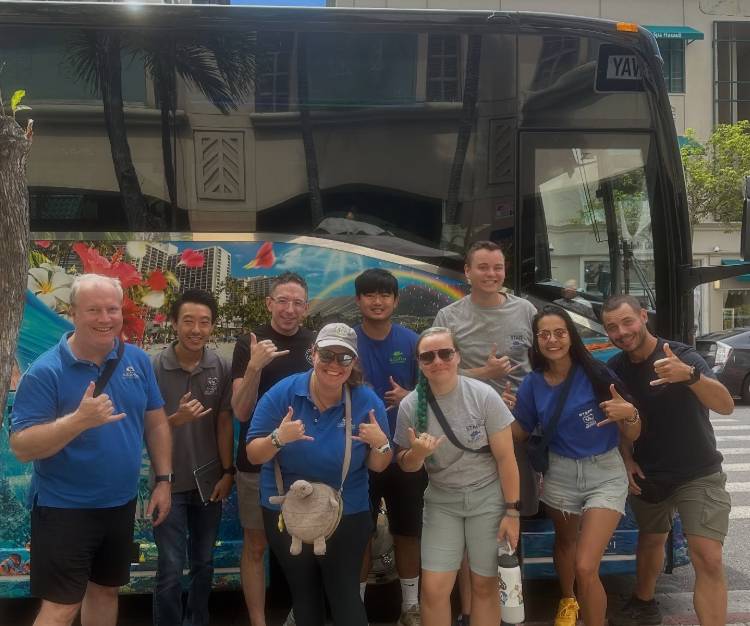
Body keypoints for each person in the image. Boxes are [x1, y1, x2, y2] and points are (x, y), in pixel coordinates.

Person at [9, 273, 172, 626]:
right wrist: (78, 421)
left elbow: (156, 422)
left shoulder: (138, 361)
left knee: (104, 592)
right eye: (93, 310)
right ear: (73, 313)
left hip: (119, 504)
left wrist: (163, 479)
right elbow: (21, 447)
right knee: (61, 607)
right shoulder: (45, 372)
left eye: (112, 309)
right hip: (64, 509)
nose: (104, 318)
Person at [247, 323, 392, 626]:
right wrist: (278, 438)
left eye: (344, 358)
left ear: (354, 363)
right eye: (327, 354)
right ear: (312, 354)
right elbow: (253, 454)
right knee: (305, 595)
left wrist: (381, 444)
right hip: (287, 512)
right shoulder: (282, 394)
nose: (334, 365)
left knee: (344, 594)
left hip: (347, 511)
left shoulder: (366, 402)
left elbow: (379, 465)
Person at [601, 295, 734, 626]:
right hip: (649, 471)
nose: (622, 332)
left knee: (708, 558)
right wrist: (627, 458)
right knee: (651, 539)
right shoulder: (615, 369)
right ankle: (643, 602)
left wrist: (689, 376)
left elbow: (726, 405)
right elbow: (619, 424)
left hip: (697, 472)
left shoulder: (681, 356)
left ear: (643, 316)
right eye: (612, 327)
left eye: (627, 321)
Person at [506, 305, 640, 626]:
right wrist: (495, 411)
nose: (552, 340)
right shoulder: (532, 384)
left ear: (571, 336)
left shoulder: (597, 374)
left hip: (604, 473)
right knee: (565, 542)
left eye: (560, 332)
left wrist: (630, 414)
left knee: (585, 565)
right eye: (545, 334)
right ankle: (568, 600)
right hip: (560, 473)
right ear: (536, 341)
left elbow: (633, 430)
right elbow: (520, 432)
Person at [433, 240, 537, 626]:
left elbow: (541, 366)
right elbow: (436, 370)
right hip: (466, 435)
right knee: (468, 528)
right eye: (483, 267)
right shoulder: (450, 316)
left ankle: (512, 610)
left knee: (510, 521)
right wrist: (485, 375)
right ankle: (467, 611)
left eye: (498, 267)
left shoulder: (525, 310)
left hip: (515, 432)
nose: (491, 274)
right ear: (467, 272)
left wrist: (522, 401)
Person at [394, 326, 521, 626]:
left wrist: (512, 512)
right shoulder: (411, 405)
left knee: (484, 585)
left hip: (487, 498)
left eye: (445, 353)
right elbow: (406, 465)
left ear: (457, 356)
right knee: (434, 589)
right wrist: (417, 454)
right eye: (428, 356)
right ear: (420, 363)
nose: (437, 361)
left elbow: (506, 458)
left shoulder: (483, 395)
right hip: (442, 500)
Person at [231, 272, 315, 626]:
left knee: (306, 544)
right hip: (256, 461)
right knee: (256, 544)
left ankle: (302, 614)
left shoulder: (316, 345)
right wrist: (254, 366)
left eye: (297, 302)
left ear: (306, 308)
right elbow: (240, 411)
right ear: (269, 303)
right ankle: (257, 621)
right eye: (282, 300)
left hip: (304, 461)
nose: (289, 309)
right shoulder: (249, 343)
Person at [151, 289, 234, 626]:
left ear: (212, 326)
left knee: (204, 563)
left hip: (208, 484)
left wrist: (227, 472)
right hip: (167, 483)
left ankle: (198, 620)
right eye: (188, 321)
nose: (196, 329)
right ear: (174, 324)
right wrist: (176, 419)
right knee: (169, 569)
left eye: (204, 322)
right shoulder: (154, 366)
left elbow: (224, 422)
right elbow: (147, 429)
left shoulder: (220, 365)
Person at [353, 269, 422, 626]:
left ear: (395, 301)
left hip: (405, 455)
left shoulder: (412, 342)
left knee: (407, 532)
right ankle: (356, 609)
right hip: (360, 459)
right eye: (369, 295)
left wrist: (411, 395)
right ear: (358, 300)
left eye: (384, 295)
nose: (377, 301)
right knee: (360, 533)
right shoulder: (347, 344)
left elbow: (434, 394)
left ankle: (410, 607)